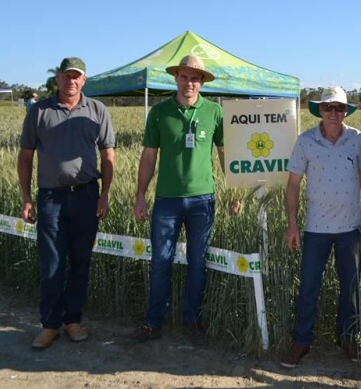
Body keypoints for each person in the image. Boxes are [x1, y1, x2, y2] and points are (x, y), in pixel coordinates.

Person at [17, 56, 115, 350]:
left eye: (77, 76)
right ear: (57, 78)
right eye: (67, 75)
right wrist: (26, 197)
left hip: (86, 195)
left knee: (80, 262)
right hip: (51, 198)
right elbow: (25, 156)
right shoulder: (39, 111)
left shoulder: (97, 110)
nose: (71, 81)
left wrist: (105, 194)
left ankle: (73, 321)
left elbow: (108, 155)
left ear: (84, 80)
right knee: (51, 264)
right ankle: (49, 325)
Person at [130, 55, 225, 346]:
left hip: (202, 201)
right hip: (167, 200)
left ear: (202, 82)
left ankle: (192, 320)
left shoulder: (214, 112)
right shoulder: (159, 113)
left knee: (198, 262)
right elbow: (149, 156)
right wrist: (140, 195)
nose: (189, 83)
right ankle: (154, 321)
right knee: (160, 261)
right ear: (176, 78)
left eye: (195, 78)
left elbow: (225, 154)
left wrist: (235, 193)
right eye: (184, 77)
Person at [280, 86, 361, 368]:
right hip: (316, 228)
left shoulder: (357, 139)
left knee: (351, 286)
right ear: (320, 110)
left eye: (339, 107)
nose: (333, 112)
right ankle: (302, 340)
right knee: (308, 285)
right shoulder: (306, 141)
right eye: (328, 107)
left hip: (351, 227)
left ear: (346, 111)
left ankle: (347, 337)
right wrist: (292, 224)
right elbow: (293, 184)